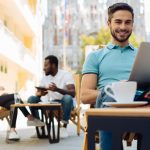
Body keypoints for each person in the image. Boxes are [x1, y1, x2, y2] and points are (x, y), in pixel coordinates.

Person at [80, 3, 139, 150]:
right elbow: (85, 95)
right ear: (109, 23)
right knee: (110, 94)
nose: (123, 27)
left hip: (141, 106)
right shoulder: (95, 57)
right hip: (109, 106)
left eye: (128, 22)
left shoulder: (142, 55)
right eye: (118, 22)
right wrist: (117, 91)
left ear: (132, 24)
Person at [28, 55, 75, 138]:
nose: (43, 68)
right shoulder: (45, 78)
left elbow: (73, 93)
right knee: (31, 99)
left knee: (68, 98)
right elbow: (38, 93)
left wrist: (57, 89)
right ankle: (40, 127)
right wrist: (39, 94)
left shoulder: (65, 75)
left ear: (53, 65)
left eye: (46, 65)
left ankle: (63, 128)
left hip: (64, 103)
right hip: (51, 102)